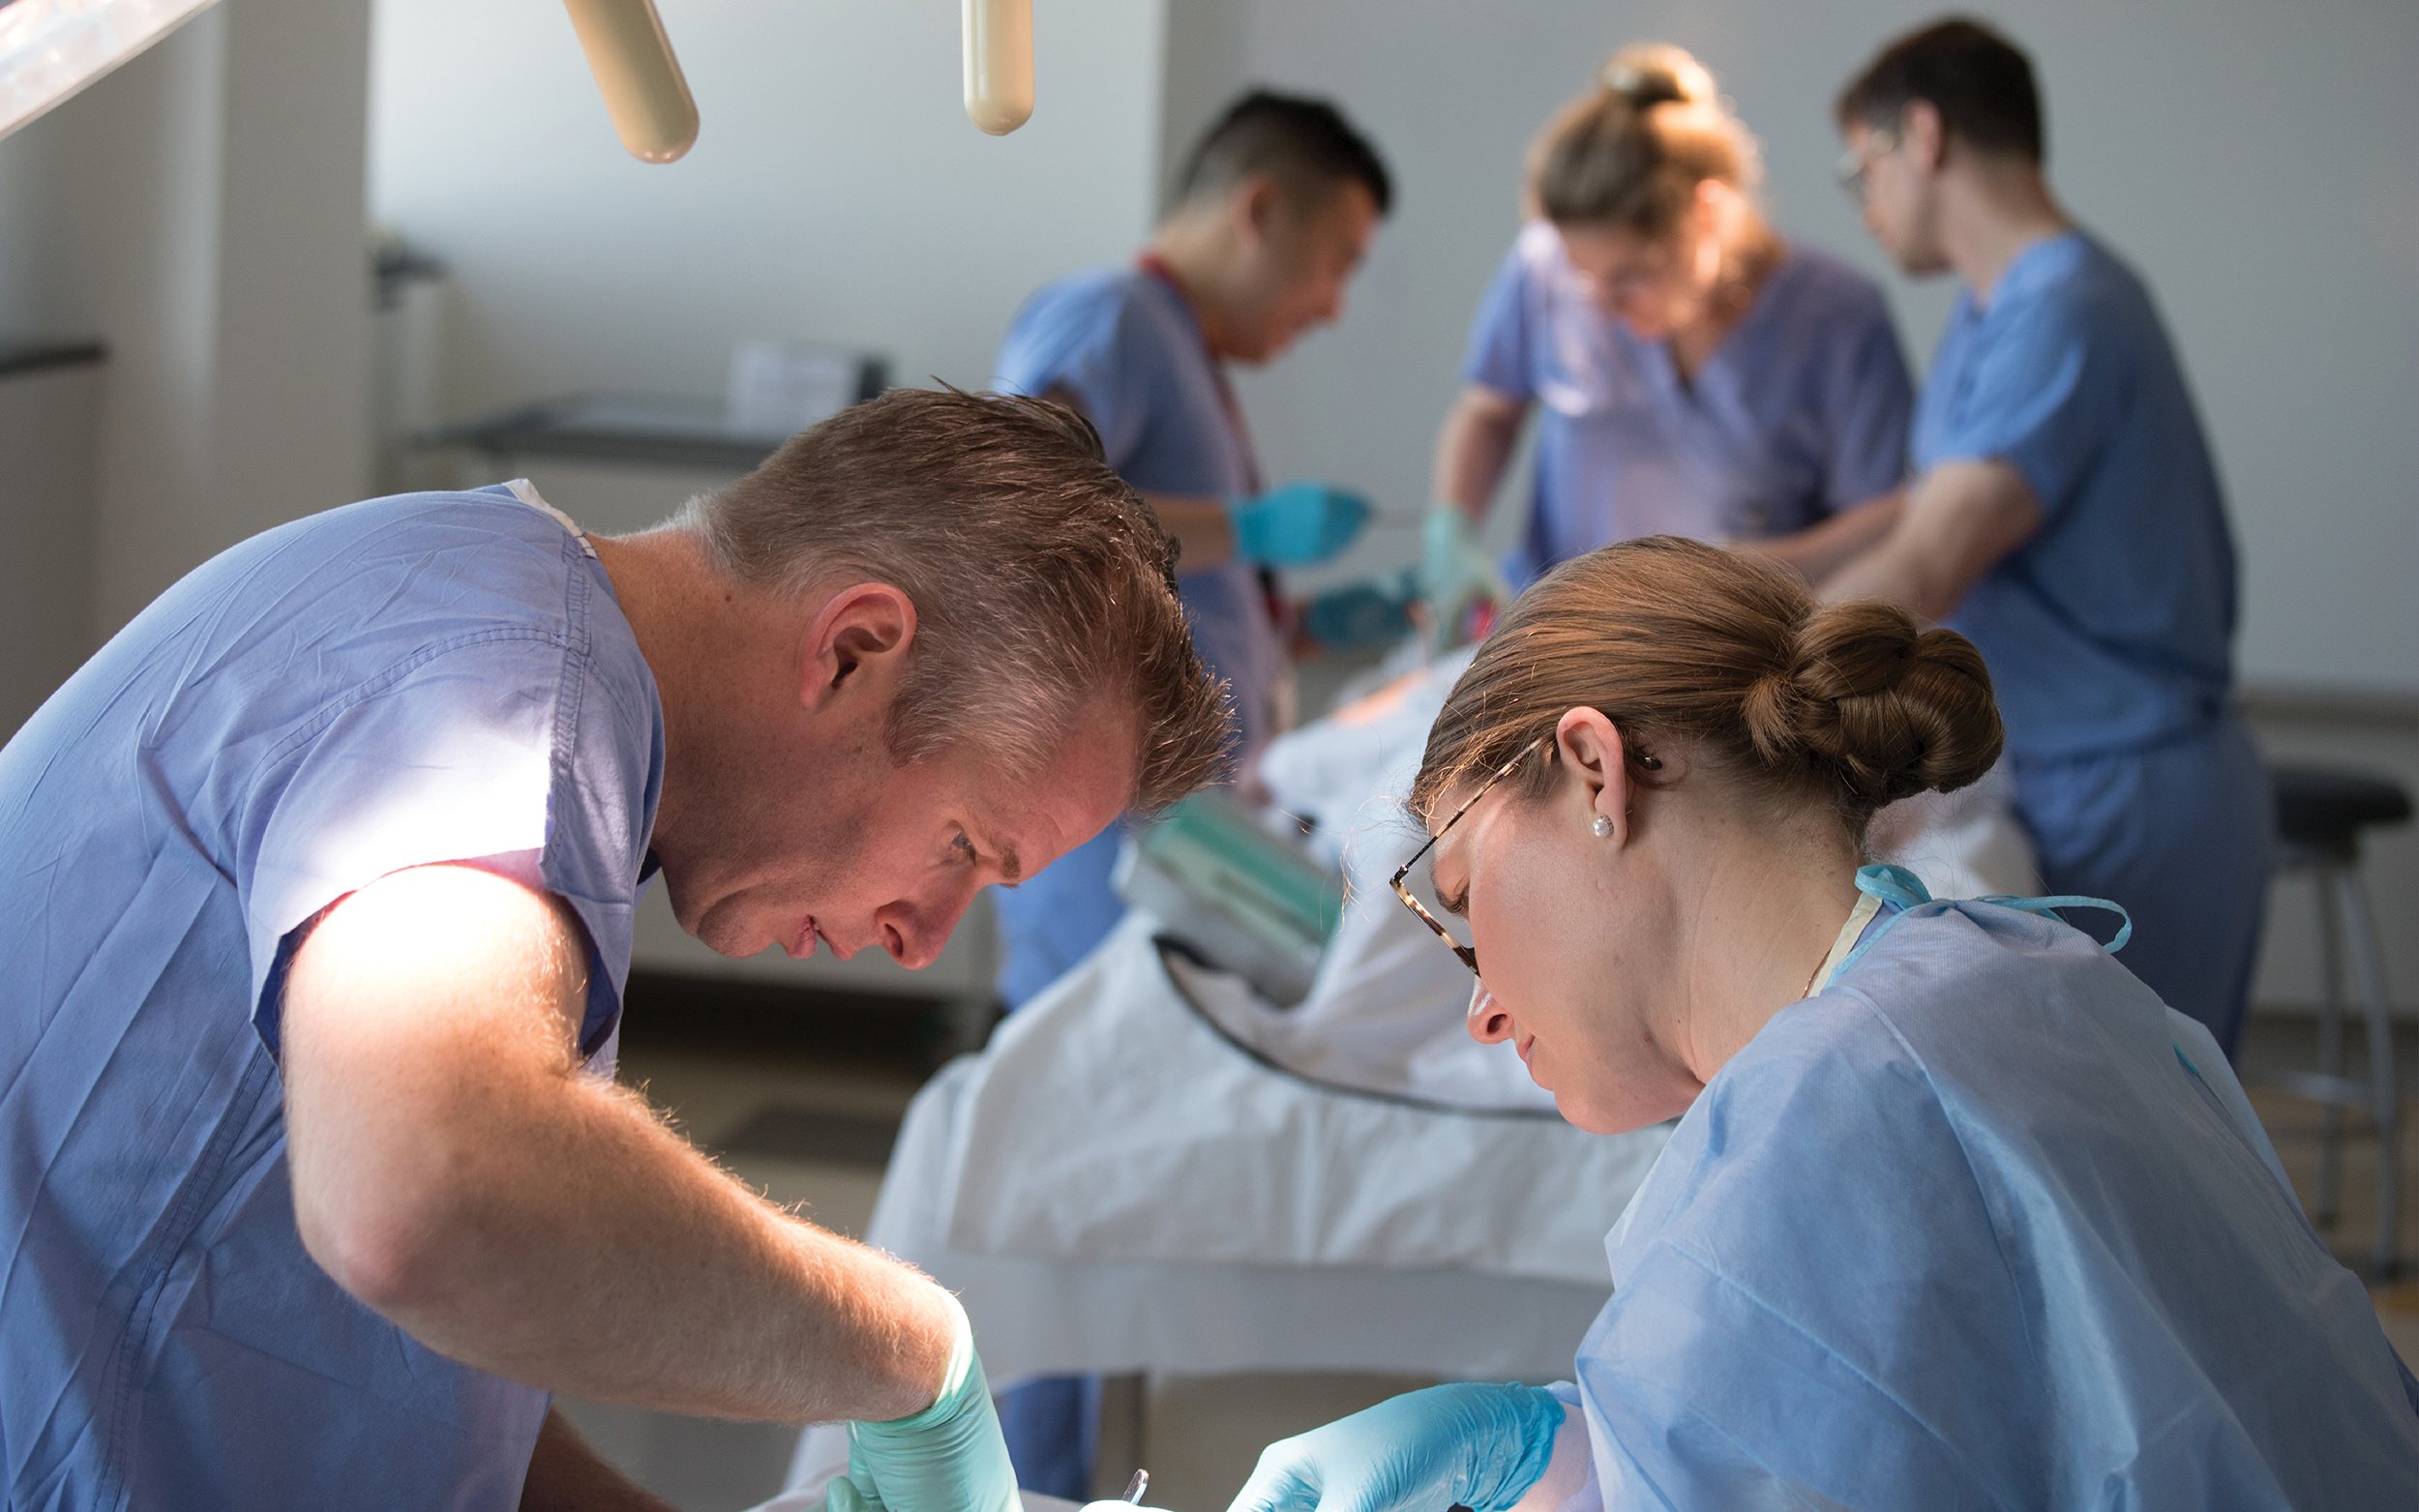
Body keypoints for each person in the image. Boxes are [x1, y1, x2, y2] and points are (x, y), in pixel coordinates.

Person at [0, 388, 1232, 1512]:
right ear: (853, 650)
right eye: (965, 847)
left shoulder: (512, 638)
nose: (923, 943)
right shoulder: (497, 693)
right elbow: (432, 1193)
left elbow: (405, 1388)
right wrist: (915, 1352)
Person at [1228, 537, 2419, 1512]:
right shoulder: (2029, 976)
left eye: (1463, 896)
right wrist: (1563, 1449)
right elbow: (1929, 1426)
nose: (1482, 1008)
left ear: (1595, 772)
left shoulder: (1828, 1115)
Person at [981, 88, 1391, 1498]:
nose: (1335, 306)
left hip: (1184, 833)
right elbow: (1017, 509)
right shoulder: (1107, 320)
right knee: (1069, 1170)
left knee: (1127, 1166)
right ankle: (1023, 1476)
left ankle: (1088, 1466)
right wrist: (1254, 531)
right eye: (1336, 260)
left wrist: (1318, 610)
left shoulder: (1179, 358)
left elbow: (1172, 587)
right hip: (1112, 847)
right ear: (1257, 208)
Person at [1747, 18, 2271, 1053]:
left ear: (1925, 137)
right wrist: (1761, 565)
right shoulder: (1993, 314)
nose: (1864, 204)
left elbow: (1933, 561)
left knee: (2139, 1166)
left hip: (2127, 781)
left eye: (1863, 167)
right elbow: (1926, 505)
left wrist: (1735, 656)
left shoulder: (2062, 310)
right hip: (2072, 763)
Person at [1423, 43, 1912, 643]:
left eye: (1631, 277)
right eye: (1582, 277)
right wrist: (1451, 529)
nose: (1598, 305)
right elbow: (1489, 412)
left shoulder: (1837, 322)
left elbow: (1892, 514)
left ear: (1708, 214)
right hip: (1554, 639)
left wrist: (1768, 566)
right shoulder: (1542, 268)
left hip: (1727, 655)